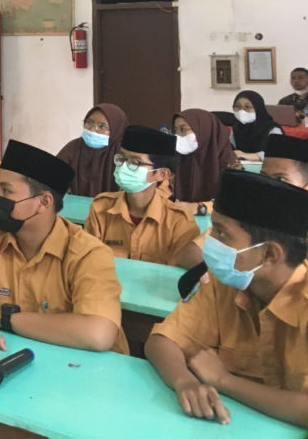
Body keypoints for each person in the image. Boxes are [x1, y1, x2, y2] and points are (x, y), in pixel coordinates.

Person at [0, 139, 128, 354]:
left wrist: (0, 317)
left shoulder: (88, 254)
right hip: (11, 352)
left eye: (6, 191)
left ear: (44, 202)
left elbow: (98, 334)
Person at [146, 170, 308, 427]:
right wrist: (184, 381)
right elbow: (162, 341)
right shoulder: (226, 283)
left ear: (268, 255)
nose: (209, 242)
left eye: (221, 233)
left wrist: (224, 381)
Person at [85, 126, 201, 267]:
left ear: (161, 174)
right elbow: (90, 263)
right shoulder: (100, 208)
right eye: (121, 159)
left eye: (135, 163)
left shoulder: (179, 222)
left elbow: (176, 277)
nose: (124, 167)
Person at [56, 103, 128, 196]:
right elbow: (55, 176)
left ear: (116, 130)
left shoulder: (121, 153)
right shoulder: (73, 147)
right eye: (89, 122)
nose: (93, 129)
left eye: (101, 126)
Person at [172, 108, 239, 204]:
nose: (178, 136)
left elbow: (232, 201)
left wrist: (199, 208)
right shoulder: (176, 159)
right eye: (176, 131)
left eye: (183, 129)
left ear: (204, 130)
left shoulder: (229, 163)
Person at [230, 90, 282, 161]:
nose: (241, 111)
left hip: (267, 168)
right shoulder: (236, 128)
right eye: (237, 106)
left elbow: (277, 154)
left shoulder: (272, 129)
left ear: (258, 108)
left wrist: (248, 156)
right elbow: (230, 149)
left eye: (247, 107)